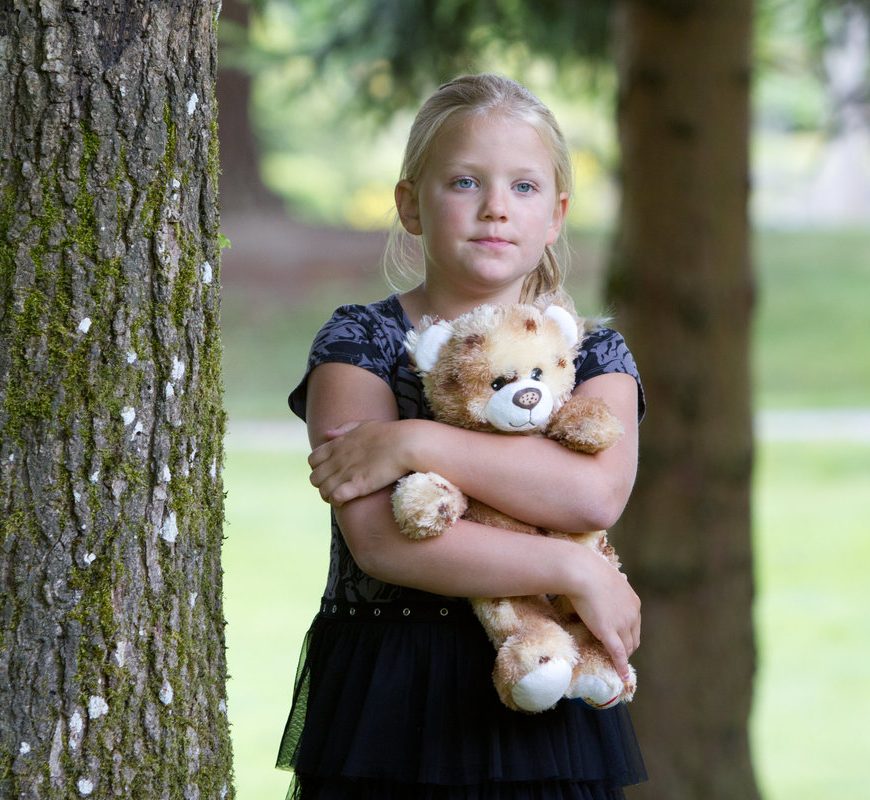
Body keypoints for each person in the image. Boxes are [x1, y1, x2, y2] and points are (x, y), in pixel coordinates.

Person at [276, 74, 647, 800]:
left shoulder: (595, 356)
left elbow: (591, 494)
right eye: (465, 181)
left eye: (525, 188)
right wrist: (576, 572)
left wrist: (416, 444)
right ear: (411, 205)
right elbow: (382, 540)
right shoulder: (361, 342)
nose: (495, 208)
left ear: (557, 215)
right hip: (389, 695)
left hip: (546, 694)